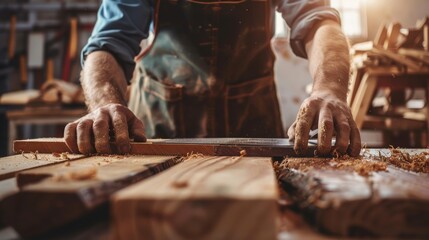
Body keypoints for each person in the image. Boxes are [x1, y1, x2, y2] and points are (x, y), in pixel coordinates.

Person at [64, 0, 361, 157]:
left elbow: (320, 23)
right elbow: (107, 47)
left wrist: (329, 88)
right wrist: (104, 105)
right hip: (156, 137)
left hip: (255, 138)